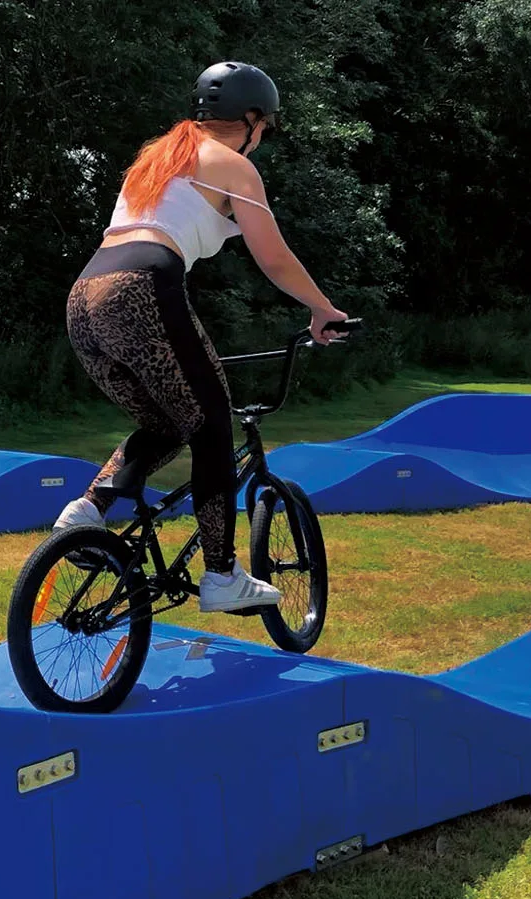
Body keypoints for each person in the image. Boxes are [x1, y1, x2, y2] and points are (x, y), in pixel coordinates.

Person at [53, 61, 350, 613]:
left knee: (167, 421)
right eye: (267, 127)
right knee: (213, 421)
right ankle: (220, 575)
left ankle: (87, 511)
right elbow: (275, 258)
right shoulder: (232, 165)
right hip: (140, 288)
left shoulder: (157, 159)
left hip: (85, 296)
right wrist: (322, 309)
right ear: (253, 119)